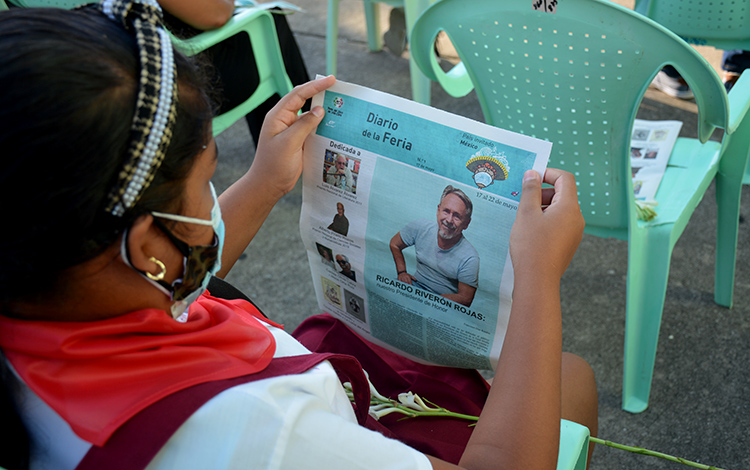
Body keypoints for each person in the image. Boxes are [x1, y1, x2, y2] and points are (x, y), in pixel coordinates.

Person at [0, 4, 597, 470]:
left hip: (300, 375)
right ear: (149, 248)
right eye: (210, 179)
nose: (215, 194)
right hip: (321, 417)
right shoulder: (261, 431)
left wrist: (262, 182)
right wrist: (538, 277)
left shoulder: (39, 290)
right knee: (571, 378)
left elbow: (165, 280)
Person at [157, 0, 311, 147]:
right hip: (195, 87)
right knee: (270, 21)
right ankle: (311, 138)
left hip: (173, 75)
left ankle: (283, 144)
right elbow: (218, 13)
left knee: (258, 27)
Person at [390, 185, 479, 307]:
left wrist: (432, 304)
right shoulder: (420, 227)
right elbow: (394, 244)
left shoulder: (470, 257)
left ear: (466, 223)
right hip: (414, 287)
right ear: (438, 210)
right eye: (446, 211)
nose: (449, 220)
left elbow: (466, 299)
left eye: (457, 216)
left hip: (443, 303)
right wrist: (402, 272)